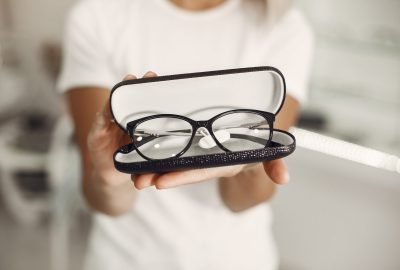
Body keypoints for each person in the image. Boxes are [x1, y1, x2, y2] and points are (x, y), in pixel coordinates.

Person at [58, 0, 314, 269]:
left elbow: (244, 199)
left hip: (236, 259)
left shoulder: (284, 27)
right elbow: (102, 197)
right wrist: (109, 179)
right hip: (125, 258)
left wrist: (250, 166)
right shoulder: (97, 16)